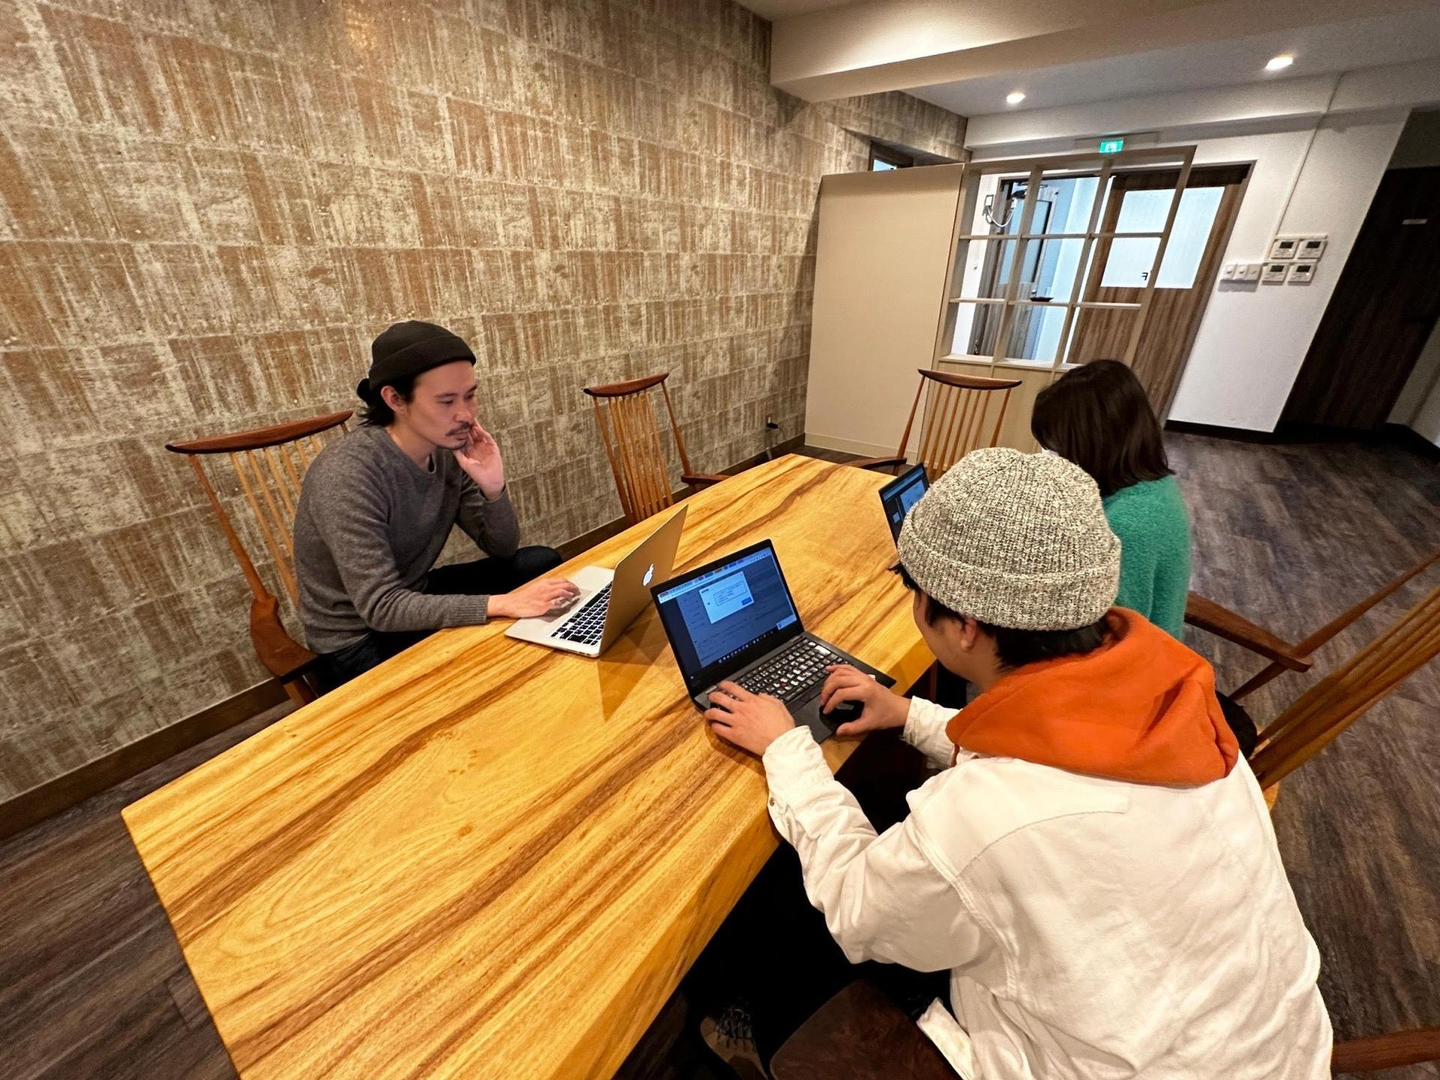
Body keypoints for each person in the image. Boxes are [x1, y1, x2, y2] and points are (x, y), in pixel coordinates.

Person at [701, 449, 1331, 1078]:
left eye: (916, 593)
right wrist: (910, 715)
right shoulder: (1180, 705)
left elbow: (858, 906)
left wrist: (787, 749)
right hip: (1277, 1049)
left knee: (793, 916)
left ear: (965, 626)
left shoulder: (984, 816)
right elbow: (1054, 743)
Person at [294, 320, 578, 692]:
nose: (466, 415)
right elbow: (381, 607)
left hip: (413, 590)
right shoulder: (349, 473)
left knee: (540, 561)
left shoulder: (445, 450)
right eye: (446, 401)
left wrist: (493, 488)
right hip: (356, 637)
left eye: (470, 396)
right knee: (485, 669)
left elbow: (502, 548)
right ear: (395, 400)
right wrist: (502, 604)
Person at [1031, 359, 1191, 639]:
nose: (1060, 461)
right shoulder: (1153, 487)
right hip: (1154, 642)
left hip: (1132, 656)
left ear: (1092, 444)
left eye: (1061, 450)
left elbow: (1107, 635)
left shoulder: (1126, 525)